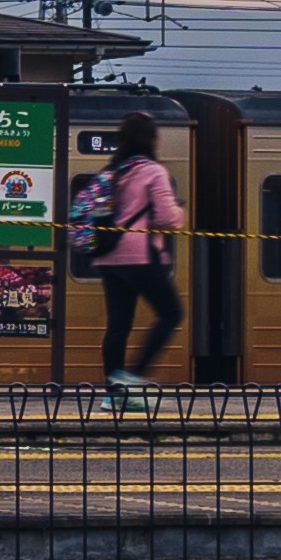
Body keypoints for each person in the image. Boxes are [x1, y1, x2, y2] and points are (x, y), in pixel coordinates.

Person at [88, 111, 186, 397]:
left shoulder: (113, 172)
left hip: (108, 257)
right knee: (171, 312)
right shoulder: (154, 172)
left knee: (118, 327)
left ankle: (114, 394)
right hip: (140, 255)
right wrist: (180, 212)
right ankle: (134, 377)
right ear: (152, 140)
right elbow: (169, 219)